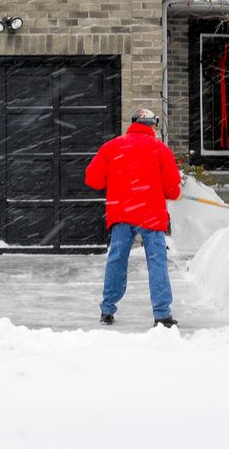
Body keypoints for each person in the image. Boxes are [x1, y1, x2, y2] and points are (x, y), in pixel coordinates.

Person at [85, 108, 181, 328]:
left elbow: (93, 180)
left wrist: (117, 177)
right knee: (157, 262)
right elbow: (173, 191)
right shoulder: (160, 149)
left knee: (117, 259)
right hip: (151, 214)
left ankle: (107, 309)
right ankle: (162, 314)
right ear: (151, 125)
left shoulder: (112, 147)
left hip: (122, 212)